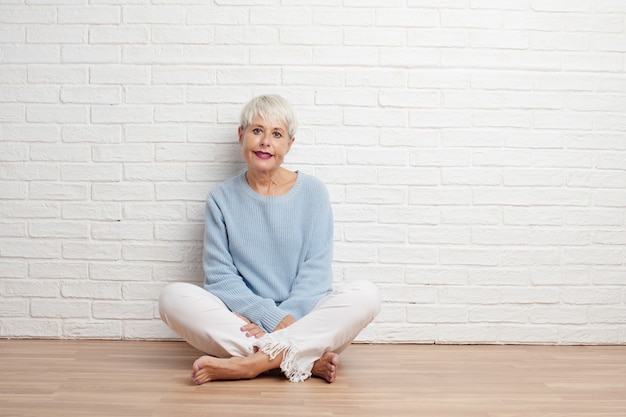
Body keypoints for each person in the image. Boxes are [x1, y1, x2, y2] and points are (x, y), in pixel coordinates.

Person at [159, 94, 380, 384]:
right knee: (173, 298)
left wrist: (287, 318)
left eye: (277, 134)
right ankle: (302, 359)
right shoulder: (221, 199)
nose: (266, 141)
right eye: (257, 130)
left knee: (366, 294)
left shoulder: (313, 192)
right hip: (249, 322)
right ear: (241, 136)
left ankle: (252, 365)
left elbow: (316, 274)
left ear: (289, 144)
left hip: (304, 318)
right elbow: (220, 278)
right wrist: (269, 317)